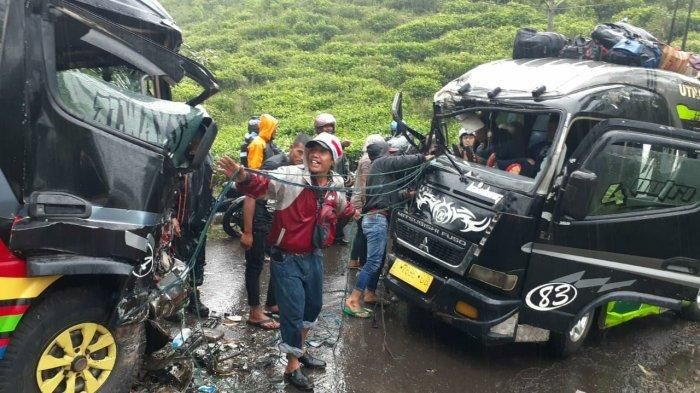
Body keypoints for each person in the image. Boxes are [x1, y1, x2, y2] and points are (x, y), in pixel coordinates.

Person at [218, 132, 355, 391]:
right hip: (286, 257)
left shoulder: (335, 182)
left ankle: (299, 351)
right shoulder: (291, 176)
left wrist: (353, 211)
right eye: (312, 149)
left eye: (323, 151)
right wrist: (242, 175)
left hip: (314, 255)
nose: (315, 154)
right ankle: (292, 366)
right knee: (293, 312)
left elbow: (342, 207)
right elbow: (261, 184)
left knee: (312, 307)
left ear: (333, 159)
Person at [344, 141, 433, 317]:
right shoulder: (380, 163)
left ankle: (370, 294)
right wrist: (425, 157)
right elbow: (405, 161)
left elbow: (391, 196)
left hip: (376, 219)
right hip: (376, 220)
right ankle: (353, 300)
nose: (393, 156)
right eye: (390, 153)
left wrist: (408, 194)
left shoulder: (380, 172)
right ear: (383, 154)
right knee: (373, 262)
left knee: (379, 259)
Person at [240, 134, 311, 330]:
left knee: (278, 260)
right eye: (299, 152)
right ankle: (254, 312)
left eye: (305, 155)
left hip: (275, 222)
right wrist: (247, 231)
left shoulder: (301, 170)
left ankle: (271, 303)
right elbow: (250, 194)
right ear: (291, 148)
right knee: (255, 265)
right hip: (258, 219)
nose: (301, 157)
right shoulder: (274, 165)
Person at [172, 154, 214, 318]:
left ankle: (193, 298)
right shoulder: (178, 155)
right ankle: (172, 303)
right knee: (175, 261)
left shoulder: (207, 158)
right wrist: (171, 214)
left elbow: (208, 188)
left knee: (197, 260)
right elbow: (167, 186)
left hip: (200, 218)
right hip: (180, 220)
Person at [313, 113, 353, 244]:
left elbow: (344, 162)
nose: (328, 129)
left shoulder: (336, 144)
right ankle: (320, 237)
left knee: (343, 211)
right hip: (322, 185)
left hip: (338, 184)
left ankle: (337, 235)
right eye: (325, 127)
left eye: (330, 127)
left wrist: (348, 176)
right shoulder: (314, 145)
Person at [348, 134, 385, 269]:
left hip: (358, 200)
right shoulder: (368, 161)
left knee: (360, 232)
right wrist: (367, 204)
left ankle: (353, 261)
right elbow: (365, 185)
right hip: (362, 202)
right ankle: (362, 263)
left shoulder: (365, 158)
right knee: (362, 234)